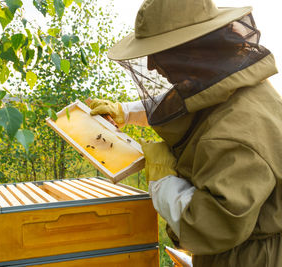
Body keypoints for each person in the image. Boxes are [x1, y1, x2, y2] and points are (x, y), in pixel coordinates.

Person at [89, 0, 282, 266]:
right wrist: (126, 111)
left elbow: (209, 225)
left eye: (159, 54)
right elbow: (194, 103)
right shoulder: (236, 82)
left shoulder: (236, 135)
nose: (152, 65)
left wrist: (164, 178)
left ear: (192, 51)